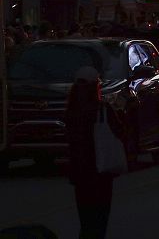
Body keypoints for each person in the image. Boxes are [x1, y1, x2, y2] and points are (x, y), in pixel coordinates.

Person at [65, 66, 119, 239]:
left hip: (80, 172)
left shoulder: (71, 112)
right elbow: (120, 132)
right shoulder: (102, 110)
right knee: (100, 218)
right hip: (100, 172)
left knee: (86, 219)